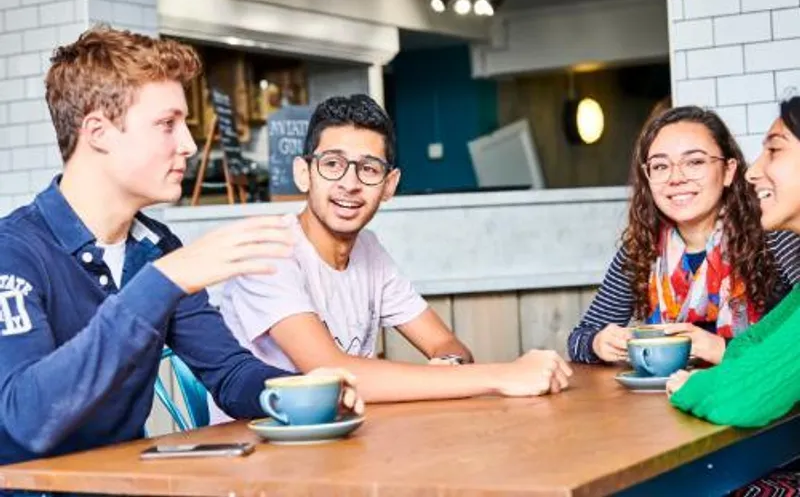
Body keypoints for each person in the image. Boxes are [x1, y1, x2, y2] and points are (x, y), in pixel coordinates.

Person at [0, 26, 360, 467]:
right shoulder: (13, 252)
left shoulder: (155, 248)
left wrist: (305, 393)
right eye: (167, 125)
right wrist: (162, 283)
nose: (188, 145)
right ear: (98, 132)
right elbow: (26, 420)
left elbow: (230, 375)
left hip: (128, 485)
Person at [211, 94, 572, 422]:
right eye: (333, 164)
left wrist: (449, 367)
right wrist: (502, 375)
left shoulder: (369, 250)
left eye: (368, 169)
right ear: (303, 173)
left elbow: (448, 345)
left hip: (341, 440)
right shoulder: (269, 248)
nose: (350, 184)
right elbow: (328, 372)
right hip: (258, 452)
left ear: (389, 185)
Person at [568, 106, 800, 365]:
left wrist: (719, 347)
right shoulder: (641, 250)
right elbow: (579, 337)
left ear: (728, 171)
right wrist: (597, 342)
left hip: (753, 399)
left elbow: (793, 347)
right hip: (667, 397)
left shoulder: (775, 237)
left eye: (695, 162)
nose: (676, 178)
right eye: (660, 166)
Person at [667, 97, 800, 495]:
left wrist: (690, 386)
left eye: (774, 149)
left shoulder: (772, 243)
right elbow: (754, 345)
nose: (753, 170)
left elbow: (738, 399)